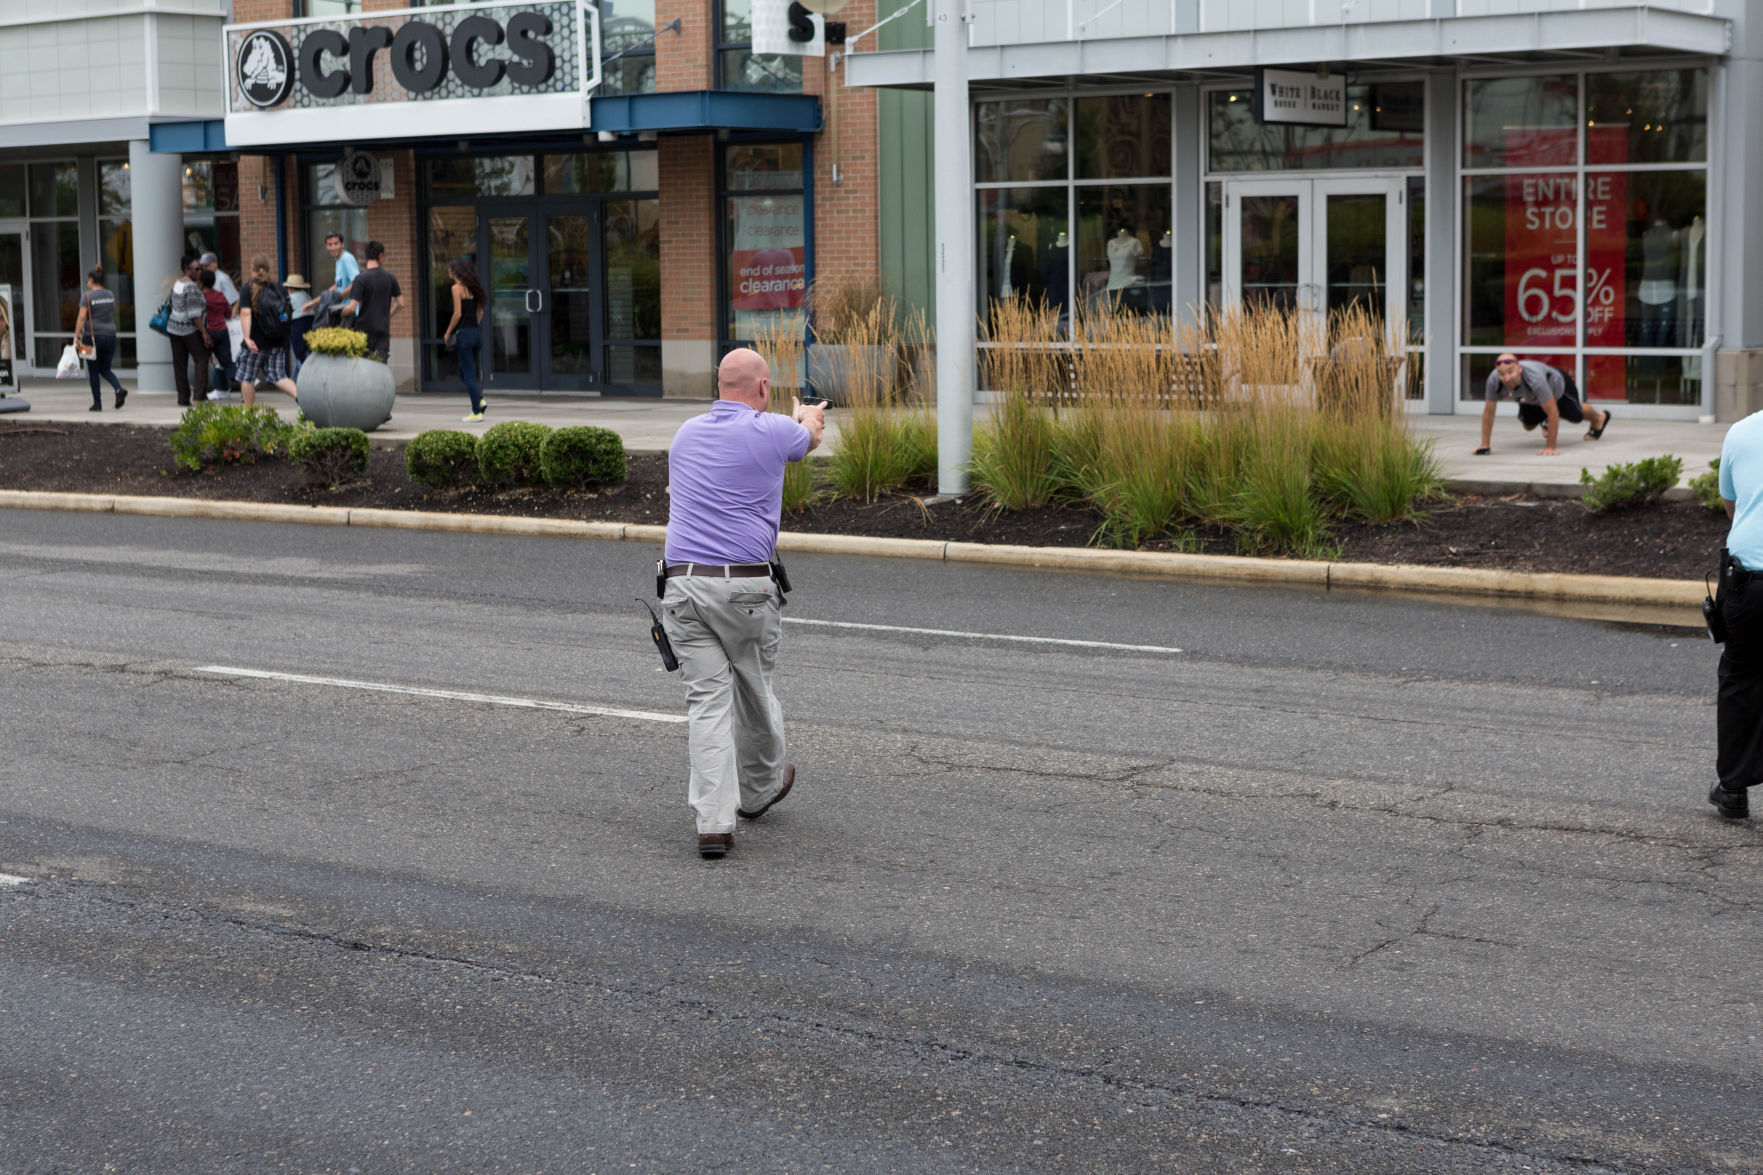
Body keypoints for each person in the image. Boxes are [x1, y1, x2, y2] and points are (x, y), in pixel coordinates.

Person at [661, 348, 827, 859]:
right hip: (745, 590)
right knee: (753, 688)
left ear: (718, 385)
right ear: (761, 389)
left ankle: (713, 824)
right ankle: (757, 793)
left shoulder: (685, 434)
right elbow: (809, 439)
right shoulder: (773, 428)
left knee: (707, 705)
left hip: (682, 586)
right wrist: (808, 416)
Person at [1710, 416, 1763, 820]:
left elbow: (1732, 504)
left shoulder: (1742, 431)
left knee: (1740, 675)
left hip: (1749, 580)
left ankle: (1733, 789)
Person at [1476, 354, 1611, 457]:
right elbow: (1488, 412)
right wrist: (1484, 445)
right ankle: (1545, 420)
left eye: (1510, 372)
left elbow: (1554, 413)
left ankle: (1598, 418)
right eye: (1502, 374)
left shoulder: (1535, 379)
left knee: (1576, 416)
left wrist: (1550, 447)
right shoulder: (1494, 380)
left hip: (1558, 388)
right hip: (1532, 399)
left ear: (1520, 369)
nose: (1507, 378)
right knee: (1528, 424)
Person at [236, 254, 298, 407]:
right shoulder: (280, 288)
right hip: (277, 341)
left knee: (247, 377)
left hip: (256, 343)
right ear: (269, 270)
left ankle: (249, 415)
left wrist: (246, 338)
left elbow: (245, 313)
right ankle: (304, 401)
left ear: (252, 269)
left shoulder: (247, 289)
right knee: (280, 377)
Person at [71, 266, 125, 411]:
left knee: (94, 370)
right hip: (110, 336)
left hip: (92, 337)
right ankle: (118, 389)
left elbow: (82, 317)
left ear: (91, 280)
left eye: (87, 280)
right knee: (105, 368)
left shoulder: (87, 296)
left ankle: (97, 403)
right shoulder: (110, 295)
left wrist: (76, 336)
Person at [441, 257, 487, 422]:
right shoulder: (475, 288)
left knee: (467, 374)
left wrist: (448, 332)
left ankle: (477, 410)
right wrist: (474, 327)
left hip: (465, 336)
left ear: (455, 272)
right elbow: (480, 311)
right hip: (476, 334)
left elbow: (457, 314)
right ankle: (479, 398)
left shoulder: (456, 288)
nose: (448, 271)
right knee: (463, 371)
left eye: (450, 269)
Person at [165, 255, 212, 407]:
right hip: (188, 329)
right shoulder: (191, 287)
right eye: (197, 269)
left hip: (174, 328)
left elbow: (171, 303)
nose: (200, 271)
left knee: (179, 364)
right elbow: (194, 314)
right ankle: (199, 397)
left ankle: (183, 398)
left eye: (201, 268)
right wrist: (204, 333)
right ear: (187, 270)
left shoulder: (178, 283)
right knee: (202, 359)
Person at [343, 240, 402, 361]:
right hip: (382, 333)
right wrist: (388, 315)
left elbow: (352, 307)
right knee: (379, 367)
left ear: (366, 256)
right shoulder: (390, 277)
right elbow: (401, 303)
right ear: (381, 256)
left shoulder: (360, 279)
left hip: (363, 334)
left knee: (364, 370)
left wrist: (339, 312)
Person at [197, 269, 232, 402]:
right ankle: (243, 385)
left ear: (201, 282)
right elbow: (228, 313)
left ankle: (205, 394)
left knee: (203, 363)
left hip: (207, 333)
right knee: (226, 363)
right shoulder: (220, 295)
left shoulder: (201, 297)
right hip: (222, 331)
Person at [284, 273, 314, 378]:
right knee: (306, 354)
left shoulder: (290, 298)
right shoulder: (307, 296)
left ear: (290, 289)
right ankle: (294, 382)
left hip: (296, 327)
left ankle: (299, 383)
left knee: (297, 358)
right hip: (310, 325)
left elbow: (285, 316)